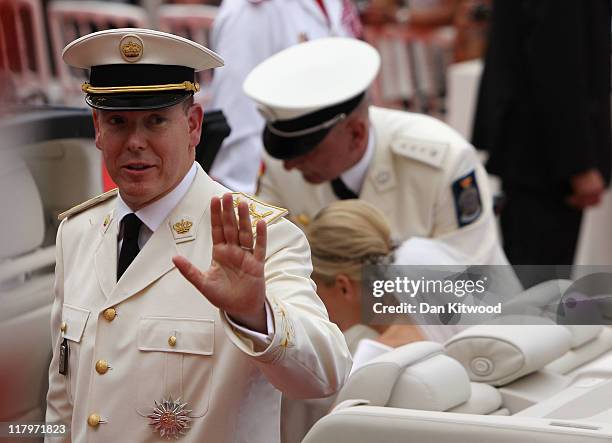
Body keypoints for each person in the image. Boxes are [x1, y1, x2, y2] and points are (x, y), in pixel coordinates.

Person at [45, 28, 351, 442]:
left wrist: (255, 316)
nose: (135, 142)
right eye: (118, 122)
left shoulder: (257, 234)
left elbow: (326, 374)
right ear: (97, 128)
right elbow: (64, 400)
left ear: (192, 125)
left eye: (155, 121)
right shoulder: (77, 232)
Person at [246, 37, 507, 265]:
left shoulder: (443, 162)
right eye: (286, 153)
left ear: (357, 134)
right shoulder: (281, 166)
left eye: (305, 152)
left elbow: (470, 277)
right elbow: (270, 256)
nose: (290, 166)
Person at [472, 0, 611, 279]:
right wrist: (578, 164)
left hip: (536, 149)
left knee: (538, 280)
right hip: (542, 155)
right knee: (538, 285)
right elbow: (558, 63)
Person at [207, 0, 362, 193]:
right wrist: (253, 203)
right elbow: (239, 123)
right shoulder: (251, 11)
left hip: (338, 174)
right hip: (284, 192)